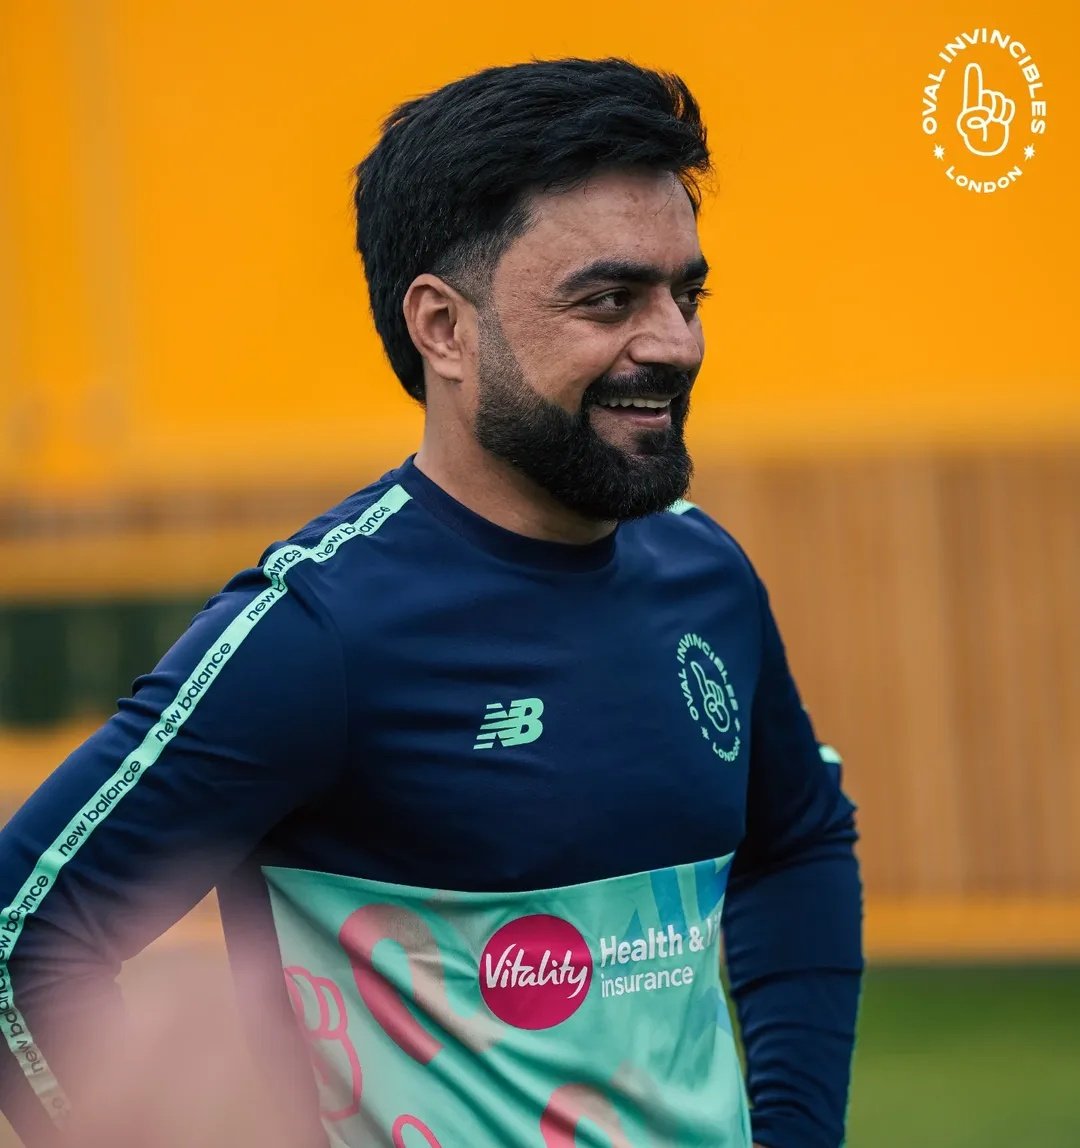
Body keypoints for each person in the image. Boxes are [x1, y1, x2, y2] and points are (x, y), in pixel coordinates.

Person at [0, 57, 863, 1148]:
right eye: (609, 299)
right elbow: (23, 931)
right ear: (444, 329)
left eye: (684, 292)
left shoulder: (708, 578)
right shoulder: (320, 633)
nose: (675, 341)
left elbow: (798, 839)